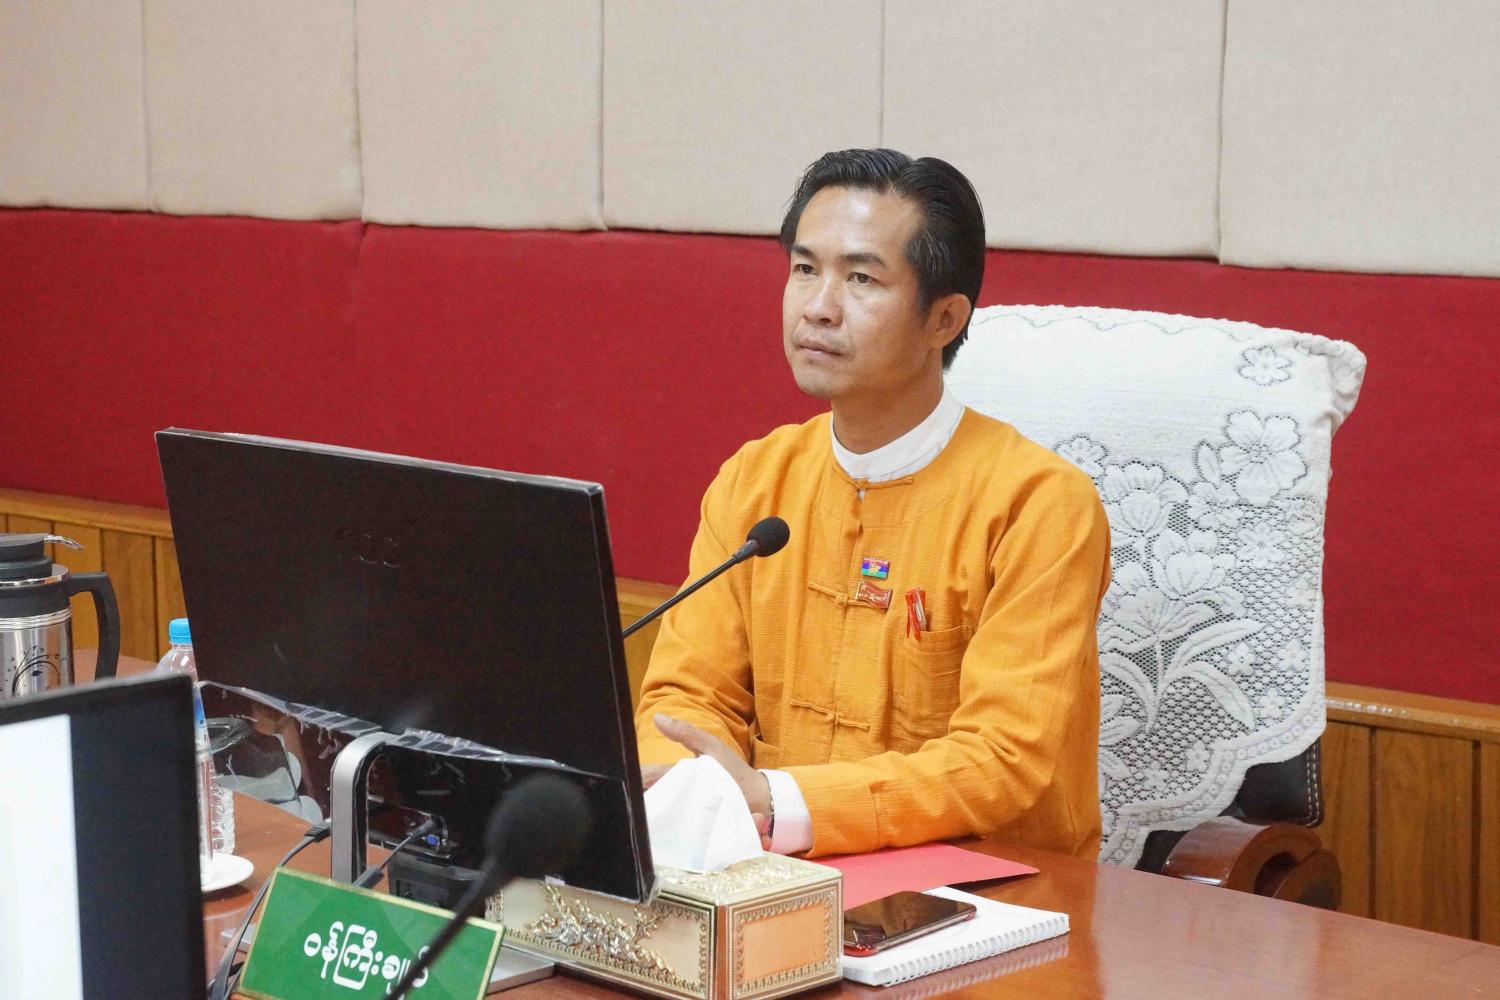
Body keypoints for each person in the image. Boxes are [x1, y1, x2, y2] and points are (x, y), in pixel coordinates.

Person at [634, 148, 1111, 859]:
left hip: (985, 885)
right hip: (769, 864)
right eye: (805, 269)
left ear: (944, 319)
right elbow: (685, 698)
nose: (818, 308)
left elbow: (1002, 759)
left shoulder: (1038, 505)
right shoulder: (756, 479)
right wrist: (692, 794)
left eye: (861, 278)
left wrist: (777, 802)